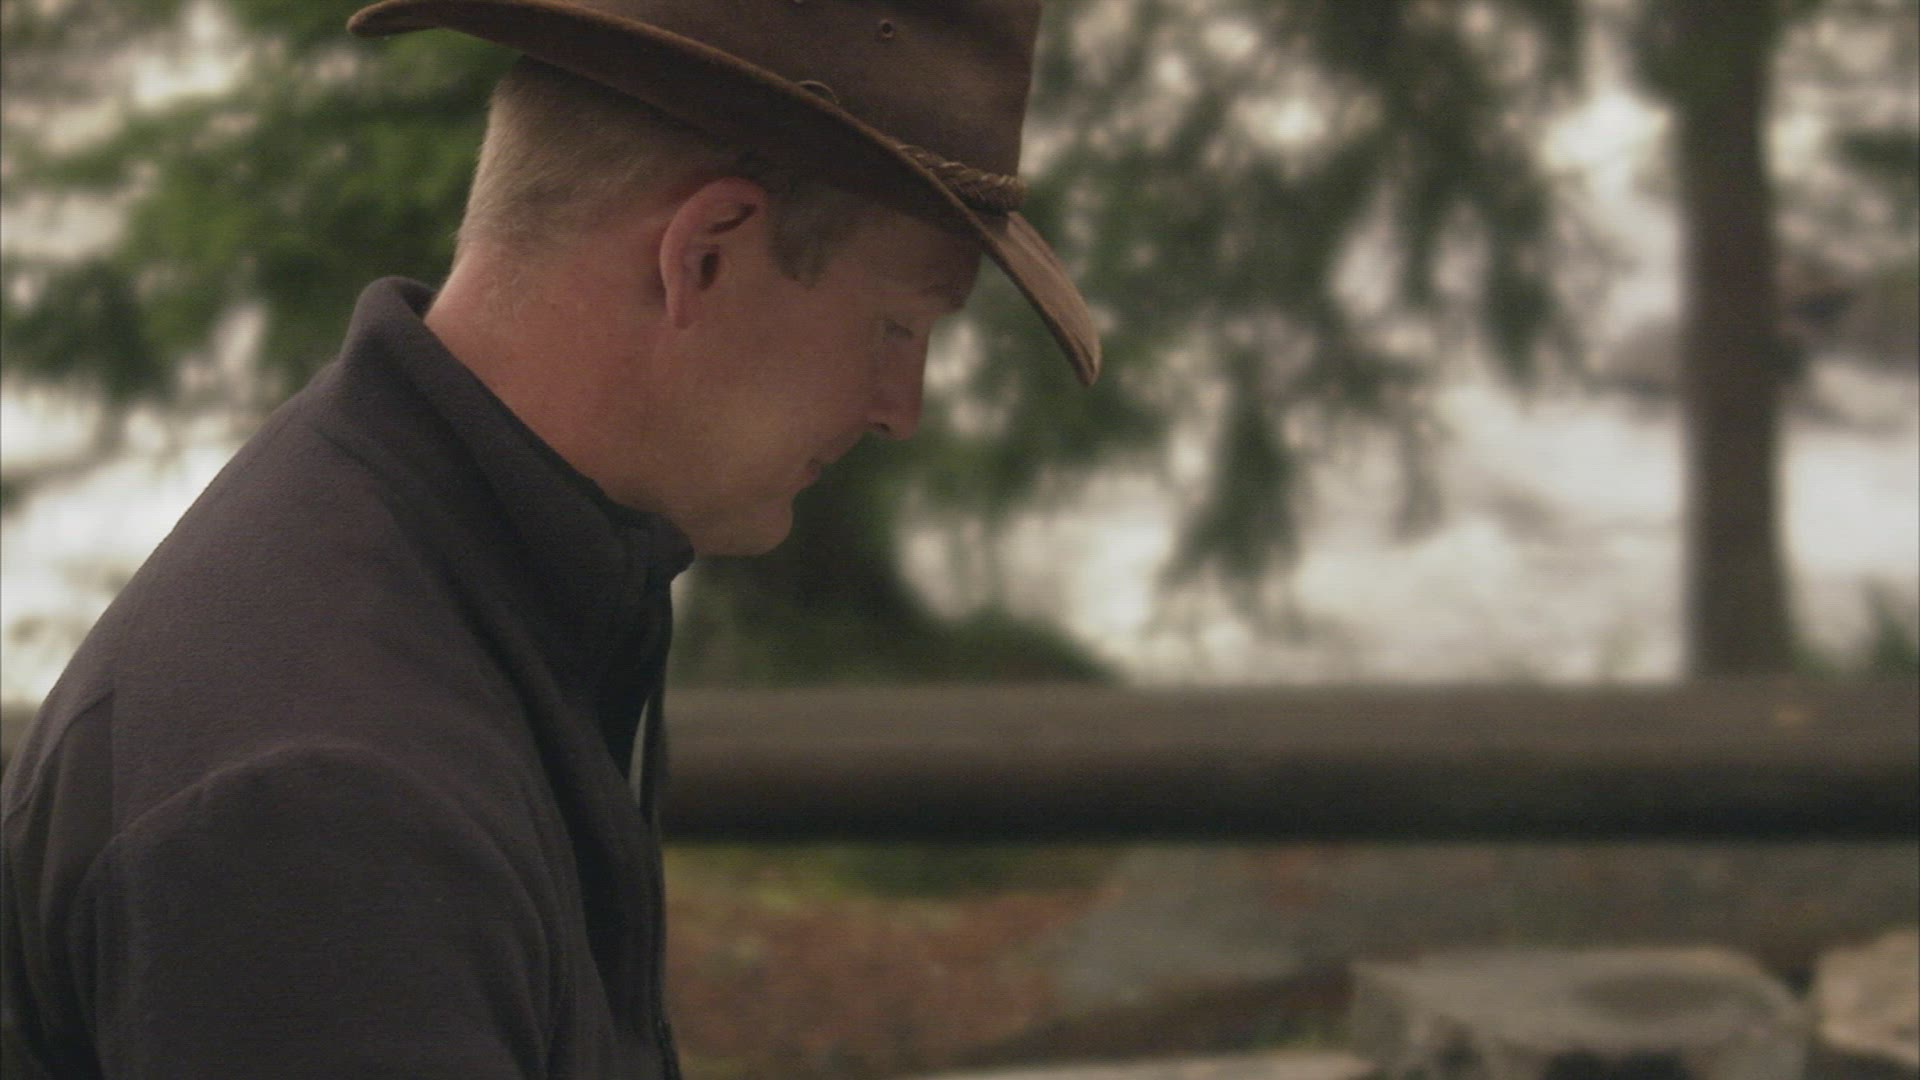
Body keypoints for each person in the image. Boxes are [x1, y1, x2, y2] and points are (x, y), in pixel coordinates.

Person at [0, 1, 1100, 1076]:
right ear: (704, 254)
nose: (900, 407)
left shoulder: (437, 585)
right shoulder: (332, 810)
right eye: (897, 324)